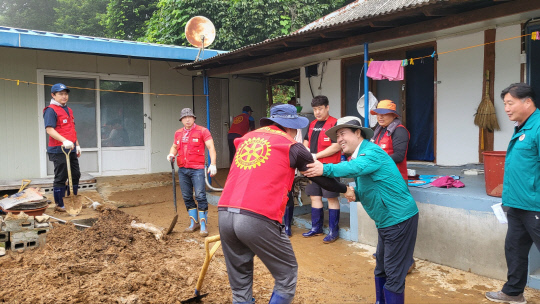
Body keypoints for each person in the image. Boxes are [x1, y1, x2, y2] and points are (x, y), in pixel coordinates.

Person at [218, 104, 350, 304]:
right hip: (257, 215)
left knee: (241, 281)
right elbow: (318, 176)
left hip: (225, 213)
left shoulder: (246, 139)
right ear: (290, 127)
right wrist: (345, 189)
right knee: (286, 274)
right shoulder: (291, 145)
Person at [303, 116, 419, 304]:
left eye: (343, 134)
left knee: (393, 275)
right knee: (381, 268)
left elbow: (353, 168)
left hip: (399, 219)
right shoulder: (358, 155)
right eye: (337, 136)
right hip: (385, 220)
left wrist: (323, 168)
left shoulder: (371, 152)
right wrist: (354, 192)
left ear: (358, 133)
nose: (339, 139)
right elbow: (370, 184)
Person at [485, 83, 540, 304]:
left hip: (535, 204)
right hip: (517, 204)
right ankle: (513, 292)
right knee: (515, 249)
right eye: (504, 104)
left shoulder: (537, 126)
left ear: (527, 102)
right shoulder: (522, 126)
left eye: (510, 103)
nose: (506, 108)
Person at [167, 108, 217, 237]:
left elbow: (211, 147)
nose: (187, 119)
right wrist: (172, 154)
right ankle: (193, 223)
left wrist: (213, 164)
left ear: (194, 118)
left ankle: (203, 225)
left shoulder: (202, 131)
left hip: (198, 169)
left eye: (189, 117)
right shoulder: (178, 133)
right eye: (184, 117)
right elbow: (174, 146)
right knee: (187, 196)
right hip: (183, 169)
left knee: (200, 195)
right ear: (181, 120)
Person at [302, 95, 343, 243]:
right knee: (315, 196)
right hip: (313, 167)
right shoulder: (312, 124)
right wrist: (305, 153)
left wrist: (316, 155)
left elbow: (337, 145)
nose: (317, 112)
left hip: (329, 167)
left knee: (331, 197)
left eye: (320, 108)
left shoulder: (335, 124)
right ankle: (316, 228)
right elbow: (305, 141)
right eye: (315, 109)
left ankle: (333, 231)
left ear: (327, 107)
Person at [43, 83, 82, 213]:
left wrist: (77, 145)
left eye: (66, 94)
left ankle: (72, 200)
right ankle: (60, 204)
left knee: (75, 174)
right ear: (53, 95)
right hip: (58, 149)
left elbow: (71, 129)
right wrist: (64, 141)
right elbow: (49, 130)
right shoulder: (50, 110)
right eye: (60, 94)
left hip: (70, 148)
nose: (64, 96)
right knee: (61, 176)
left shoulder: (68, 110)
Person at [370, 99, 410, 181]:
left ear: (393, 115)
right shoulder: (379, 130)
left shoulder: (399, 131)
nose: (380, 117)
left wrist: (375, 161)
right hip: (380, 176)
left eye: (384, 114)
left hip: (395, 178)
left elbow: (399, 156)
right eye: (378, 114)